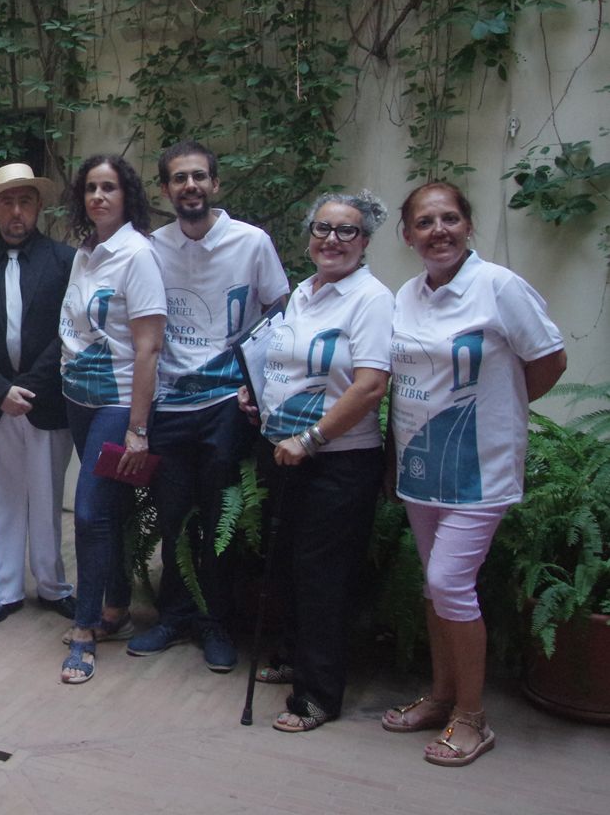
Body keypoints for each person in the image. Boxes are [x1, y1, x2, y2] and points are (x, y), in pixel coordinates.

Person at [381, 182, 565, 766]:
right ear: (407, 235)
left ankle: (472, 717)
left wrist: (501, 410)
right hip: (420, 466)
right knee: (436, 588)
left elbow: (550, 359)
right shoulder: (406, 295)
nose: (440, 230)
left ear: (468, 226)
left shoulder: (499, 287)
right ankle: (440, 697)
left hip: (480, 468)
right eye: (426, 222)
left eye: (451, 218)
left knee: (450, 582)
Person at [126, 141, 288, 672]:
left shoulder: (252, 243)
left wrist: (260, 382)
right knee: (173, 516)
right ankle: (174, 617)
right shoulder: (152, 247)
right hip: (171, 401)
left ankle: (216, 622)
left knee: (220, 514)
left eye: (198, 177)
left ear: (215, 184)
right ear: (167, 189)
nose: (189, 186)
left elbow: (279, 310)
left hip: (226, 401)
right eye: (178, 178)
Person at [238, 190, 394, 731]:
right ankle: (292, 657)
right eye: (323, 229)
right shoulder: (303, 292)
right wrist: (257, 392)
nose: (332, 240)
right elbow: (287, 364)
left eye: (346, 231)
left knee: (322, 574)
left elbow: (370, 385)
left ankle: (319, 694)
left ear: (365, 241)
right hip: (282, 452)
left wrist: (311, 440)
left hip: (337, 461)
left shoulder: (371, 299)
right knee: (286, 564)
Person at [56, 155, 166, 683]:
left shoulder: (137, 255)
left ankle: (84, 630)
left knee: (90, 513)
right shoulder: (86, 253)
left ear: (127, 196)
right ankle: (117, 607)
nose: (98, 196)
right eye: (91, 188)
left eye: (109, 188)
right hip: (78, 397)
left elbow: (147, 349)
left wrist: (138, 428)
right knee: (114, 509)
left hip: (118, 400)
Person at [0, 163, 77, 625]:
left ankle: (52, 586)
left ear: (38, 206)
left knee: (46, 497)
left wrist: (27, 386)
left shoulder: (64, 262)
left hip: (46, 400)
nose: (17, 211)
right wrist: (0, 389)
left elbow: (69, 331)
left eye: (25, 201)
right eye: (7, 202)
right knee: (2, 498)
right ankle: (5, 590)